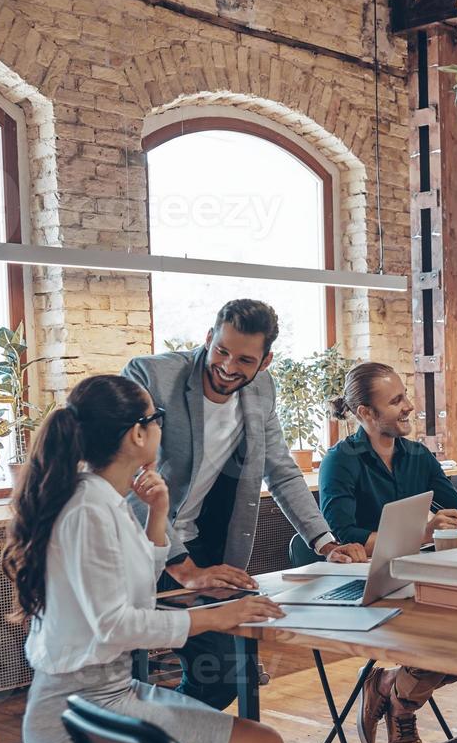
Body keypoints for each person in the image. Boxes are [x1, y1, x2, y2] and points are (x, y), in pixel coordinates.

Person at [4, 375, 290, 743]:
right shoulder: (88, 510)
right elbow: (116, 624)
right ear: (137, 434)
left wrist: (156, 515)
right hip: (79, 713)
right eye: (156, 419)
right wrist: (216, 617)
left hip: (105, 696)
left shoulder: (104, 500)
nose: (161, 428)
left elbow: (129, 591)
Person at [122, 299, 365, 713]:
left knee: (229, 672)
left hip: (200, 548)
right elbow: (127, 476)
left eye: (245, 359)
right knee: (123, 682)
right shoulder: (151, 377)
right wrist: (183, 569)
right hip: (136, 546)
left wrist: (325, 543)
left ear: (265, 361)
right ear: (208, 338)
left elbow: (281, 469)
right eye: (221, 351)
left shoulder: (261, 390)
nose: (228, 366)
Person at [319, 361, 457, 743]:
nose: (408, 407)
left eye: (405, 397)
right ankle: (402, 703)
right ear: (366, 414)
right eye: (396, 401)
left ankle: (392, 689)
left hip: (415, 578)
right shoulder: (342, 460)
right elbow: (343, 533)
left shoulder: (417, 456)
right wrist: (421, 534)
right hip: (365, 584)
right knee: (448, 637)